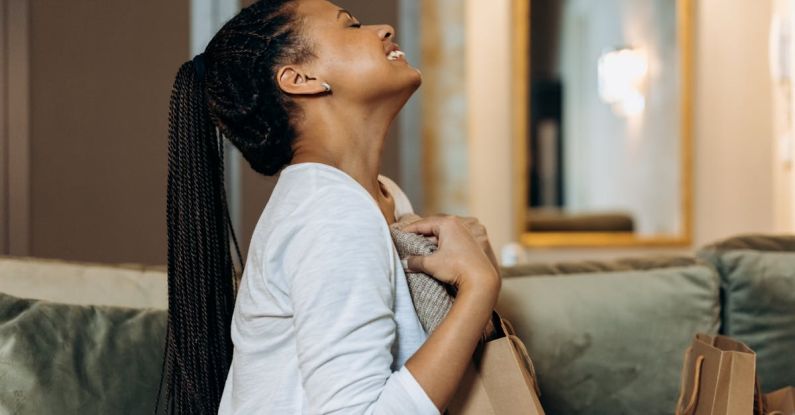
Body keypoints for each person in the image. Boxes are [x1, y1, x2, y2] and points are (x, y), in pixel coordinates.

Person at [158, 0, 501, 413]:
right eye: (351, 25)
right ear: (300, 78)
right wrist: (479, 287)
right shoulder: (329, 212)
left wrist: (472, 265)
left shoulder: (380, 196)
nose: (385, 28)